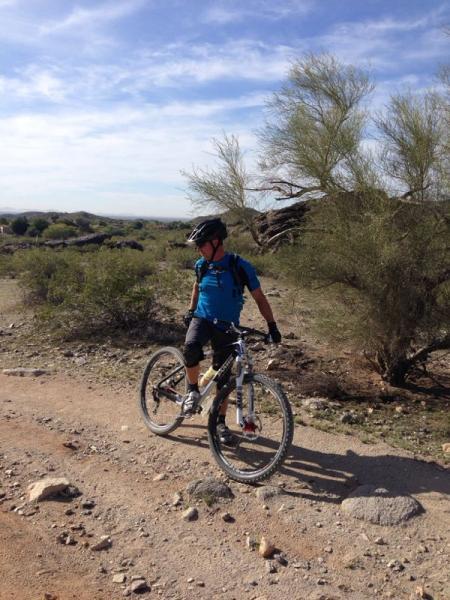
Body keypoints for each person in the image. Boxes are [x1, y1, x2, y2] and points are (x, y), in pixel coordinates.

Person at [182, 217, 281, 444]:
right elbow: (196, 287)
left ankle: (220, 423)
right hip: (203, 318)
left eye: (202, 244)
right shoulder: (201, 265)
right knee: (191, 348)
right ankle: (192, 391)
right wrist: (190, 310)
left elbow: (259, 298)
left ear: (216, 242)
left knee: (223, 380)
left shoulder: (239, 266)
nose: (198, 249)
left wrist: (272, 325)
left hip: (227, 326)